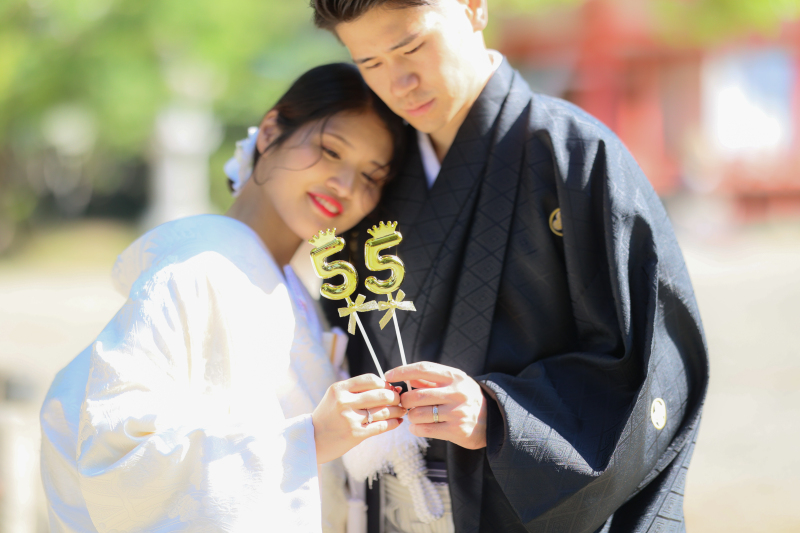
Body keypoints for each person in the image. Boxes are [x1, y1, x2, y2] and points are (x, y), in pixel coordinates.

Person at [311, 2, 710, 532]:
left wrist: (500, 417)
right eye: (370, 63)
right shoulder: (378, 172)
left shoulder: (573, 155)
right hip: (396, 506)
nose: (399, 81)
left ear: (474, 7)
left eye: (411, 47)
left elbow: (651, 367)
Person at [39, 63, 410, 533]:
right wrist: (308, 440)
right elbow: (117, 451)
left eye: (371, 177)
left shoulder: (294, 293)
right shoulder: (197, 269)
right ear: (271, 131)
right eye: (330, 150)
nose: (346, 185)